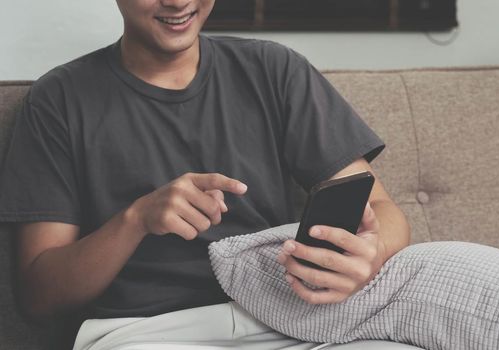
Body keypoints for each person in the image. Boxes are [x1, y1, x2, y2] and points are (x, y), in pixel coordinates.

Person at [0, 1, 417, 349]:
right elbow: (39, 296)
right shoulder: (57, 101)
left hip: (286, 320)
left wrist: (371, 254)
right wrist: (136, 220)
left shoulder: (273, 70)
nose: (178, 2)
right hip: (144, 333)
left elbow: (382, 209)